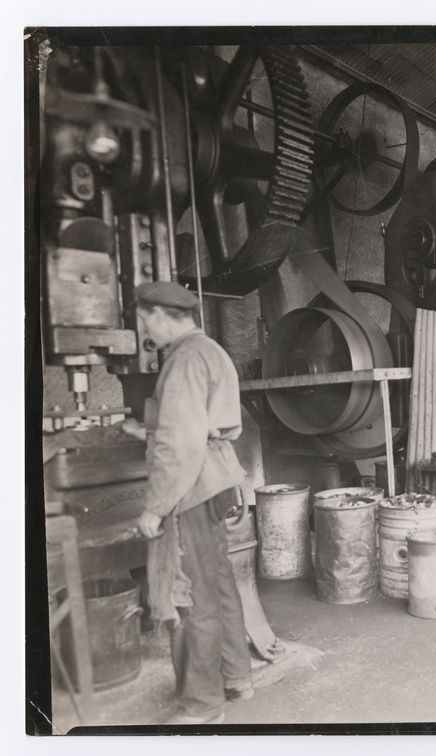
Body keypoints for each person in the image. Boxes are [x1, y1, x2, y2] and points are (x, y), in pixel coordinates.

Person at [120, 281, 251, 725]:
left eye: (144, 320)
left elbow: (180, 444)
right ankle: (235, 678)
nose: (144, 329)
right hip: (218, 481)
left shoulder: (183, 360)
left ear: (161, 315)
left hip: (191, 489)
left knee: (189, 597)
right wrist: (149, 430)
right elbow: (202, 424)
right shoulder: (211, 350)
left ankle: (200, 705)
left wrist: (155, 506)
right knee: (218, 584)